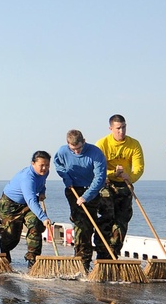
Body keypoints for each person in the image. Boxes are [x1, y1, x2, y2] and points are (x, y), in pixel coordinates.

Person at [53, 129, 107, 270]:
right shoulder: (62, 151)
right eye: (73, 149)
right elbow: (58, 164)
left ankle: (93, 258)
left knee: (90, 224)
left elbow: (100, 178)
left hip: (92, 190)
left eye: (79, 148)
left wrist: (86, 196)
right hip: (73, 190)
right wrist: (66, 178)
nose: (76, 152)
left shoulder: (95, 153)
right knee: (81, 224)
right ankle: (82, 260)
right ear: (68, 144)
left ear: (84, 141)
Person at [95, 114, 145, 256]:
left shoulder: (134, 144)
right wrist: (112, 173)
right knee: (107, 217)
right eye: (118, 128)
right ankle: (101, 252)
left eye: (123, 127)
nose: (121, 131)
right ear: (111, 128)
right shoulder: (102, 144)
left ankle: (114, 252)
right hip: (106, 184)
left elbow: (139, 168)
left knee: (121, 222)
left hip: (125, 184)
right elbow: (98, 169)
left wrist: (130, 177)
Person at [0, 152, 51, 265]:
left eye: (47, 165)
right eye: (41, 165)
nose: (44, 168)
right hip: (10, 205)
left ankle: (33, 260)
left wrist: (42, 191)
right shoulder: (27, 178)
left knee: (36, 227)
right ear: (33, 164)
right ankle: (4, 249)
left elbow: (42, 183)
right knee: (12, 237)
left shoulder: (45, 173)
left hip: (27, 205)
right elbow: (31, 200)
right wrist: (44, 217)